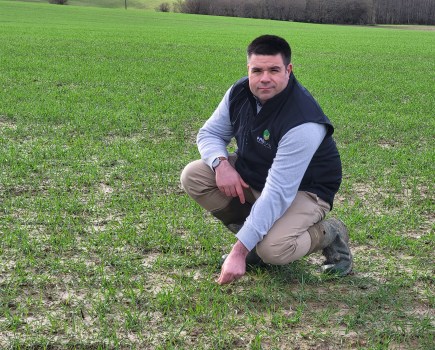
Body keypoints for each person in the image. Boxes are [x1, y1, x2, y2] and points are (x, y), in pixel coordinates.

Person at [180, 34, 352, 285]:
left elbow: (279, 191)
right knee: (194, 175)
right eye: (257, 70)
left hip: (305, 190)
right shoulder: (239, 92)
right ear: (248, 69)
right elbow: (210, 133)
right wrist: (221, 163)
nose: (264, 79)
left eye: (274, 70)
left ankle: (331, 233)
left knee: (274, 250)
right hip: (257, 175)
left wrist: (238, 252)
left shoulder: (303, 120)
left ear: (288, 70)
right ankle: (254, 241)